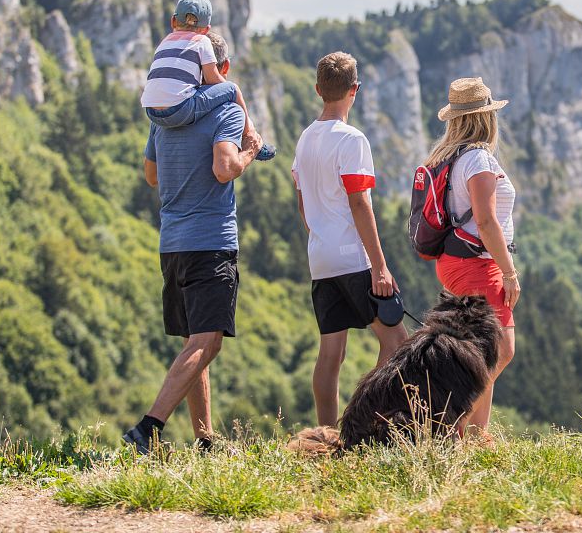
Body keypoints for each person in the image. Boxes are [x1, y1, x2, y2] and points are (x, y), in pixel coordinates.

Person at [124, 31, 263, 453]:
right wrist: (251, 151)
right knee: (208, 341)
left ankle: (205, 440)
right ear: (223, 71)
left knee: (194, 341)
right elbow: (225, 168)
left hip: (172, 245)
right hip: (211, 241)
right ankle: (147, 429)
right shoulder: (226, 111)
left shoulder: (165, 116)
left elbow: (151, 175)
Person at [292, 51, 409, 427]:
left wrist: (320, 237)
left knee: (331, 354)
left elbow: (303, 203)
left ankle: (326, 432)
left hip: (321, 257)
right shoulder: (352, 139)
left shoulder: (305, 139)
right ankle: (363, 423)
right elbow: (359, 202)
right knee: (397, 343)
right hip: (353, 258)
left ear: (317, 90)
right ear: (354, 90)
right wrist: (380, 265)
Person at [425, 76, 521, 435]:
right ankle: (457, 424)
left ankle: (475, 433)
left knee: (484, 349)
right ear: (486, 118)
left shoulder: (449, 157)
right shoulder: (479, 159)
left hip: (456, 261)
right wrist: (509, 272)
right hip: (478, 263)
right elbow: (485, 219)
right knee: (500, 348)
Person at [140, 0, 275, 160]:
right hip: (179, 110)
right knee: (232, 89)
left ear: (173, 21)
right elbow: (213, 80)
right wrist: (224, 93)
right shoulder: (202, 41)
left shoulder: (164, 42)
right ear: (206, 29)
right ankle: (251, 137)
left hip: (152, 112)